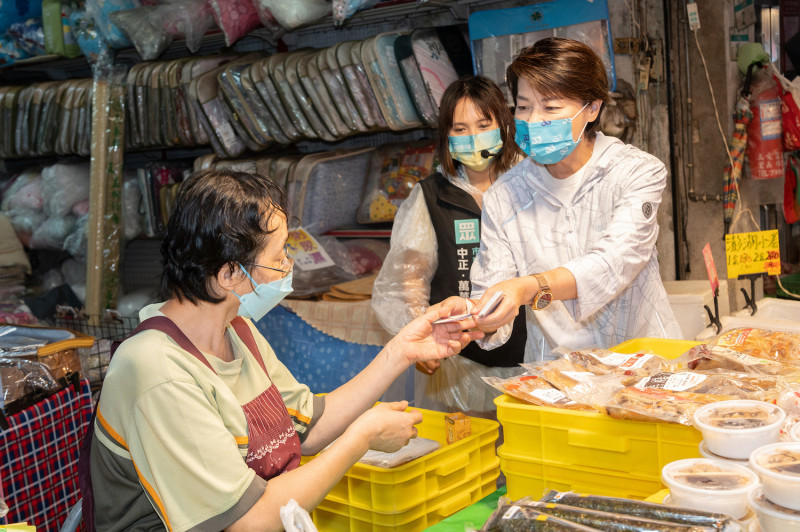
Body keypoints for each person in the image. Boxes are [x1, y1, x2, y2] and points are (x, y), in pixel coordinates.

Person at [87, 169, 481, 531]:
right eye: (277, 257)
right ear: (228, 274)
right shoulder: (158, 370)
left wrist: (402, 351)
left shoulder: (236, 331)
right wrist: (361, 438)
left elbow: (306, 427)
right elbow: (246, 521)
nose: (288, 266)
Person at [463, 37, 681, 359]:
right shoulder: (503, 197)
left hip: (644, 363)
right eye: (523, 107)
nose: (533, 120)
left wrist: (528, 287)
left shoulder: (637, 173)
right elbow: (493, 293)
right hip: (559, 375)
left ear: (592, 108)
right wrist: (477, 317)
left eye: (550, 107)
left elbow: (614, 262)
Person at [371, 75, 528, 416]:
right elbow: (405, 282)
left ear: (504, 124)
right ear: (445, 135)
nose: (473, 137)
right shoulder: (430, 197)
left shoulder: (532, 184)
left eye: (483, 124)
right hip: (461, 365)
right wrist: (419, 337)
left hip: (536, 362)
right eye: (459, 129)